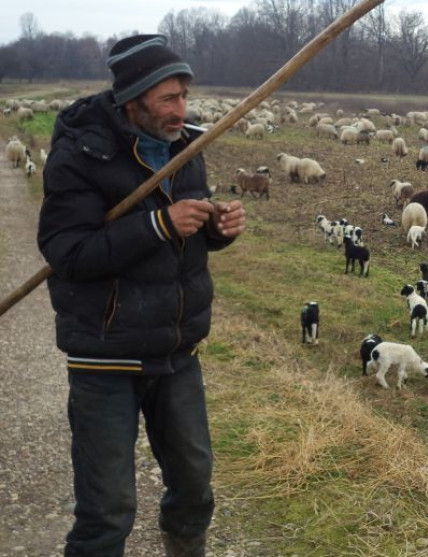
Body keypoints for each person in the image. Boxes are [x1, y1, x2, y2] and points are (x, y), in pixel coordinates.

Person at [37, 34, 246, 557]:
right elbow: (69, 253)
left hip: (177, 351)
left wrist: (216, 229)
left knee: (195, 488)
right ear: (133, 99)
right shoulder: (80, 156)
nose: (181, 110)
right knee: (107, 510)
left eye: (184, 96)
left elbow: (183, 237)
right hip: (105, 353)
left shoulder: (186, 148)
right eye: (167, 99)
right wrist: (159, 224)